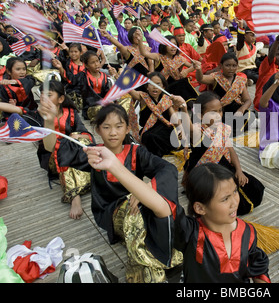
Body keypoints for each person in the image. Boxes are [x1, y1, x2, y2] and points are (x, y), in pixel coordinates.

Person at [84, 145, 270, 283]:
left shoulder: (249, 232)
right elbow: (159, 205)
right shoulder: (191, 233)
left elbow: (258, 270)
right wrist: (115, 166)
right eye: (224, 199)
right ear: (199, 208)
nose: (234, 202)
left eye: (235, 193)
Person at [51, 103, 183, 283]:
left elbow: (167, 169)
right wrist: (48, 120)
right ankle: (158, 263)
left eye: (119, 126)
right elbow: (57, 150)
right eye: (106, 127)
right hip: (110, 210)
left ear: (128, 128)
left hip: (137, 202)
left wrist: (146, 189)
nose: (113, 132)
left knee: (159, 202)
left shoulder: (137, 152)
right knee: (137, 214)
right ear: (97, 129)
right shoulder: (94, 153)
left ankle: (159, 254)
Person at [182, 91, 264, 216]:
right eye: (213, 112)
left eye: (220, 111)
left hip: (222, 166)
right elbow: (189, 128)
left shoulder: (223, 128)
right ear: (200, 114)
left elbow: (231, 151)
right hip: (205, 173)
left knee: (253, 187)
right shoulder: (198, 130)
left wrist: (239, 170)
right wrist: (183, 109)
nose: (218, 115)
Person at [35, 80, 94, 219]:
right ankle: (75, 197)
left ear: (61, 98)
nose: (44, 99)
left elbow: (87, 135)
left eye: (49, 95)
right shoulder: (39, 114)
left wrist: (77, 135)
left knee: (79, 143)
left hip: (72, 152)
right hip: (52, 158)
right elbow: (47, 145)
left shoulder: (71, 113)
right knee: (63, 149)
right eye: (42, 95)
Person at [194, 52, 255, 137]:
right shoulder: (215, 77)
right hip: (219, 112)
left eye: (234, 66)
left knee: (250, 115)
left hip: (235, 112)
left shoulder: (240, 80)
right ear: (221, 66)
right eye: (227, 65)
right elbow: (201, 79)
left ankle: (229, 132)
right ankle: (225, 131)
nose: (231, 68)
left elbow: (247, 100)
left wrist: (241, 110)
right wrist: (198, 69)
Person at [129, 71, 183, 157]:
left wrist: (180, 128)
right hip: (149, 130)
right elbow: (132, 92)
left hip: (165, 128)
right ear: (147, 87)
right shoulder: (143, 98)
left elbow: (174, 116)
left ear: (163, 87)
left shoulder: (166, 99)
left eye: (158, 84)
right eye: (152, 84)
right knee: (150, 137)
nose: (155, 87)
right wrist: (117, 76)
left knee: (174, 134)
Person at [77, 51, 112, 120]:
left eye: (97, 61)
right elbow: (85, 96)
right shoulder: (83, 76)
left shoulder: (104, 76)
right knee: (100, 109)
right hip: (91, 107)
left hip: (104, 104)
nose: (96, 64)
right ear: (86, 65)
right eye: (92, 62)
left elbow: (107, 92)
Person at [52, 43, 85, 111]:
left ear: (80, 53)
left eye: (75, 51)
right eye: (71, 51)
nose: (73, 54)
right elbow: (67, 78)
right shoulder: (67, 63)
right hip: (71, 87)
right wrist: (60, 67)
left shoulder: (85, 64)